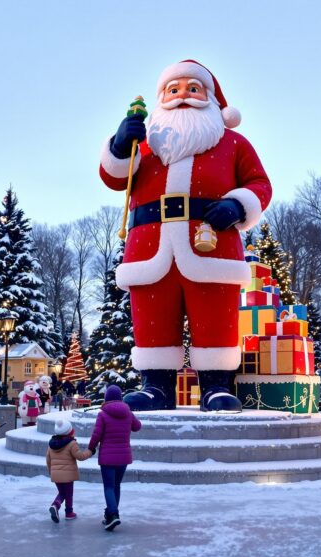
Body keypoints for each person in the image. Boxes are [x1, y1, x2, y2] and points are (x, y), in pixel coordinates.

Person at [98, 60, 272, 412]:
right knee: (151, 316)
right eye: (173, 90)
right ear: (161, 98)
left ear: (210, 99)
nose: (182, 96)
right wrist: (119, 145)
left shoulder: (233, 143)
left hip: (211, 244)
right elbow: (115, 179)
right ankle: (155, 387)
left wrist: (239, 206)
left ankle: (216, 386)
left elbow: (260, 184)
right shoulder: (143, 147)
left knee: (215, 316)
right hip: (149, 247)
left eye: (192, 89)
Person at [87, 385, 141, 531]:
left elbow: (96, 435)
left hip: (107, 457)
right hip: (123, 457)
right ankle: (111, 515)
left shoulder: (103, 414)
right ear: (120, 397)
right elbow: (137, 427)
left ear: (106, 398)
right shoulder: (128, 412)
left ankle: (113, 514)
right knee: (116, 486)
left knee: (109, 487)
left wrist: (91, 448)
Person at [45, 419, 92, 523]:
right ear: (70, 432)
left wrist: (51, 472)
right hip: (68, 475)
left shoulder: (51, 444)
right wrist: (90, 451)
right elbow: (80, 456)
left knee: (62, 492)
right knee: (68, 494)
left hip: (56, 474)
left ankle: (61, 508)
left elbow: (48, 459)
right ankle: (64, 510)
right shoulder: (72, 444)